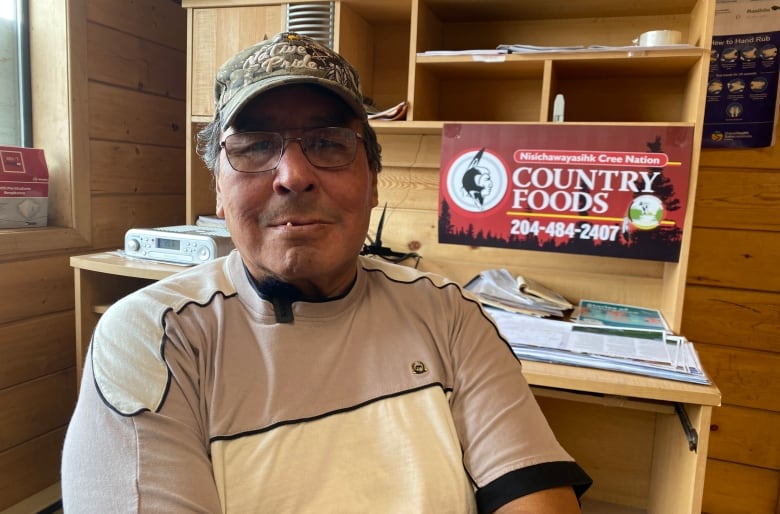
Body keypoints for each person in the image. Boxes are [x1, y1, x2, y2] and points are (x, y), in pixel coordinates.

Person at [61, 32, 592, 513]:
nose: (293, 176)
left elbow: (536, 499)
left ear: (374, 182)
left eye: (329, 143)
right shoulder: (154, 340)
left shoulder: (448, 314)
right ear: (218, 192)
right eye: (256, 146)